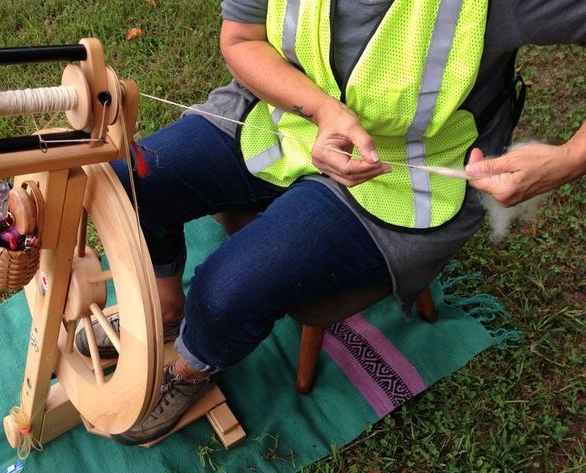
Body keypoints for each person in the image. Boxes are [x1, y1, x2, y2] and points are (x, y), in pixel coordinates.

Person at [75, 0, 586, 445]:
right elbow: (241, 38)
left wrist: (566, 159)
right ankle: (166, 306)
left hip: (402, 175)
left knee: (227, 287)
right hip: (284, 119)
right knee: (130, 182)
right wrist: (320, 110)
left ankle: (190, 368)